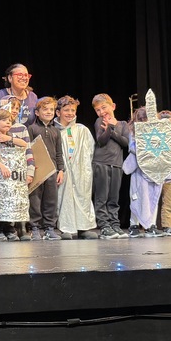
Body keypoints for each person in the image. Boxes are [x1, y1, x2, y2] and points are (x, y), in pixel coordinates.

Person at [0, 108, 33, 240]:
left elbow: (24, 144)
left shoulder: (10, 136)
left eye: (10, 121)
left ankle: (9, 228)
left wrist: (9, 138)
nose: (8, 123)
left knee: (10, 201)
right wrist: (1, 166)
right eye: (4, 120)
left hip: (10, 178)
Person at [54, 95, 98, 240]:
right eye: (66, 110)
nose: (70, 113)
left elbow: (90, 150)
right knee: (64, 197)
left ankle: (84, 227)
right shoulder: (55, 131)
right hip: (63, 170)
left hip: (81, 171)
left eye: (73, 110)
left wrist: (84, 168)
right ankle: (66, 227)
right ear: (58, 112)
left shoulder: (82, 130)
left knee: (82, 197)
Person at [92, 93, 130, 240]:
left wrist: (112, 129)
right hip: (101, 163)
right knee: (102, 197)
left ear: (113, 106)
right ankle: (104, 226)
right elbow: (101, 140)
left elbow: (125, 142)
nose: (102, 112)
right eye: (98, 110)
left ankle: (115, 224)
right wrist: (109, 128)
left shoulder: (123, 124)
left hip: (116, 164)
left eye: (104, 108)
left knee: (113, 197)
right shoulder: (99, 121)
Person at [26, 96, 65, 241]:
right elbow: (28, 150)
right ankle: (34, 227)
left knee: (51, 199)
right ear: (37, 112)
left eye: (51, 109)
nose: (49, 112)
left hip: (52, 170)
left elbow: (59, 152)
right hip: (37, 170)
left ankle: (49, 228)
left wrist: (61, 170)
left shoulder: (56, 131)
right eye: (45, 109)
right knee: (35, 199)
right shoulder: (32, 129)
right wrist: (31, 168)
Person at [123, 107, 165, 237]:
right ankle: (133, 225)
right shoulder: (133, 131)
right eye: (141, 119)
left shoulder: (158, 130)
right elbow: (132, 148)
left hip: (154, 169)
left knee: (153, 196)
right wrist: (144, 148)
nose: (144, 121)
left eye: (146, 119)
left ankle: (151, 225)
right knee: (137, 196)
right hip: (140, 169)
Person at [0, 63, 38, 127]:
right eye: (20, 75)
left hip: (26, 133)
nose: (24, 78)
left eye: (26, 75)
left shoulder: (33, 97)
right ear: (10, 78)